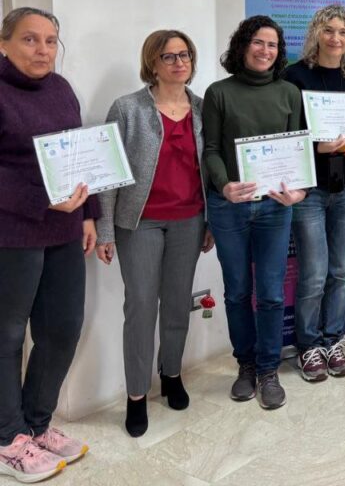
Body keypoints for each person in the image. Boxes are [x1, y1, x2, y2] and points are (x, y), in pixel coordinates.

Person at [96, 30, 214, 438]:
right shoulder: (127, 108)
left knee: (178, 303)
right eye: (169, 56)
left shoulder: (202, 109)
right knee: (141, 306)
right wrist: (105, 229)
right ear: (152, 62)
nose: (179, 63)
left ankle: (172, 374)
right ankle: (136, 395)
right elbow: (108, 171)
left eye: (185, 55)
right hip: (139, 222)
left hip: (189, 220)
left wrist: (210, 222)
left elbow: (210, 169)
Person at [0, 7, 96, 482]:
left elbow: (81, 153)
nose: (43, 50)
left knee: (62, 329)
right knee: (7, 336)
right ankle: (7, 438)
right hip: (12, 233)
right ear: (4, 44)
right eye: (30, 39)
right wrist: (42, 199)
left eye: (51, 40)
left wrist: (89, 212)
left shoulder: (60, 88)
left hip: (63, 230)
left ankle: (36, 425)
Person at [203, 15, 306, 411]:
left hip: (274, 208)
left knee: (271, 293)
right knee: (237, 292)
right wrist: (223, 185)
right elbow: (211, 150)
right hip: (229, 207)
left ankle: (268, 370)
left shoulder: (289, 93)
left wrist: (298, 190)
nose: (265, 51)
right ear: (243, 45)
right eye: (258, 42)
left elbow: (297, 150)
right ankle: (245, 365)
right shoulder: (219, 92)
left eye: (273, 45)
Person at [283, 5, 345, 383]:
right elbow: (285, 133)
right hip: (310, 189)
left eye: (343, 32)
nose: (336, 38)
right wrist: (316, 147)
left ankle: (333, 340)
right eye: (329, 30)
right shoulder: (294, 77)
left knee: (339, 271)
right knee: (314, 273)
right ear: (316, 33)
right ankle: (308, 345)